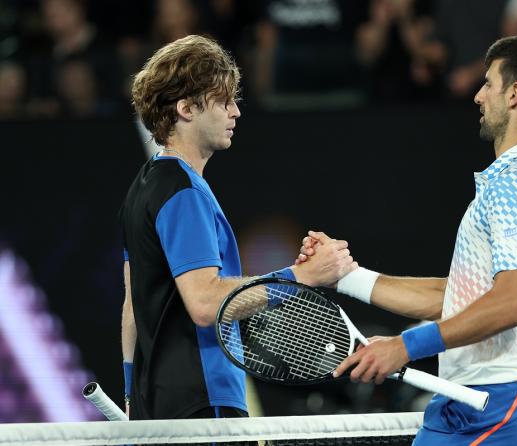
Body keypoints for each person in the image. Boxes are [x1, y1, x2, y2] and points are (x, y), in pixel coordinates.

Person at [298, 35, 517, 444]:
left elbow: (510, 303)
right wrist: (344, 276)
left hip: (494, 402)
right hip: (492, 400)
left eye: (489, 84)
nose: (479, 96)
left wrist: (407, 346)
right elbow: (460, 298)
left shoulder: (515, 183)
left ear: (514, 95)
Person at [119, 34, 356, 420]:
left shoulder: (143, 188)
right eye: (224, 101)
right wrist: (301, 276)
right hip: (203, 402)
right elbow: (206, 303)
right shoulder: (183, 193)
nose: (236, 113)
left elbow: (132, 305)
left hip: (158, 404)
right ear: (186, 109)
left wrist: (132, 393)